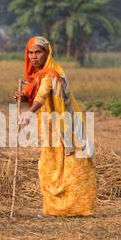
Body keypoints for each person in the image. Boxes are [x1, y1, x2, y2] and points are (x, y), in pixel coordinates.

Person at [13, 36, 96, 216]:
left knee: (74, 166)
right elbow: (36, 92)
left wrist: (30, 111)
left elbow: (42, 95)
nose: (34, 56)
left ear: (47, 53)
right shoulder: (39, 75)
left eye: (38, 52)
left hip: (63, 126)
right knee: (49, 167)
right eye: (31, 53)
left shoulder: (52, 73)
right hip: (49, 128)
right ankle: (56, 209)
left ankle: (79, 208)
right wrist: (24, 96)